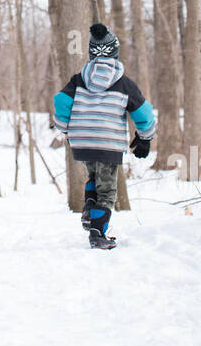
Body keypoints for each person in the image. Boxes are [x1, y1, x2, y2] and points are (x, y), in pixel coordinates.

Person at [52, 22, 156, 250]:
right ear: (115, 52)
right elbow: (144, 112)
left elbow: (60, 101)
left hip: (82, 143)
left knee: (94, 177)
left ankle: (90, 210)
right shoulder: (123, 83)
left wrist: (64, 126)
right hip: (108, 145)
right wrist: (145, 137)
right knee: (108, 190)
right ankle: (98, 233)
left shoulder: (78, 80)